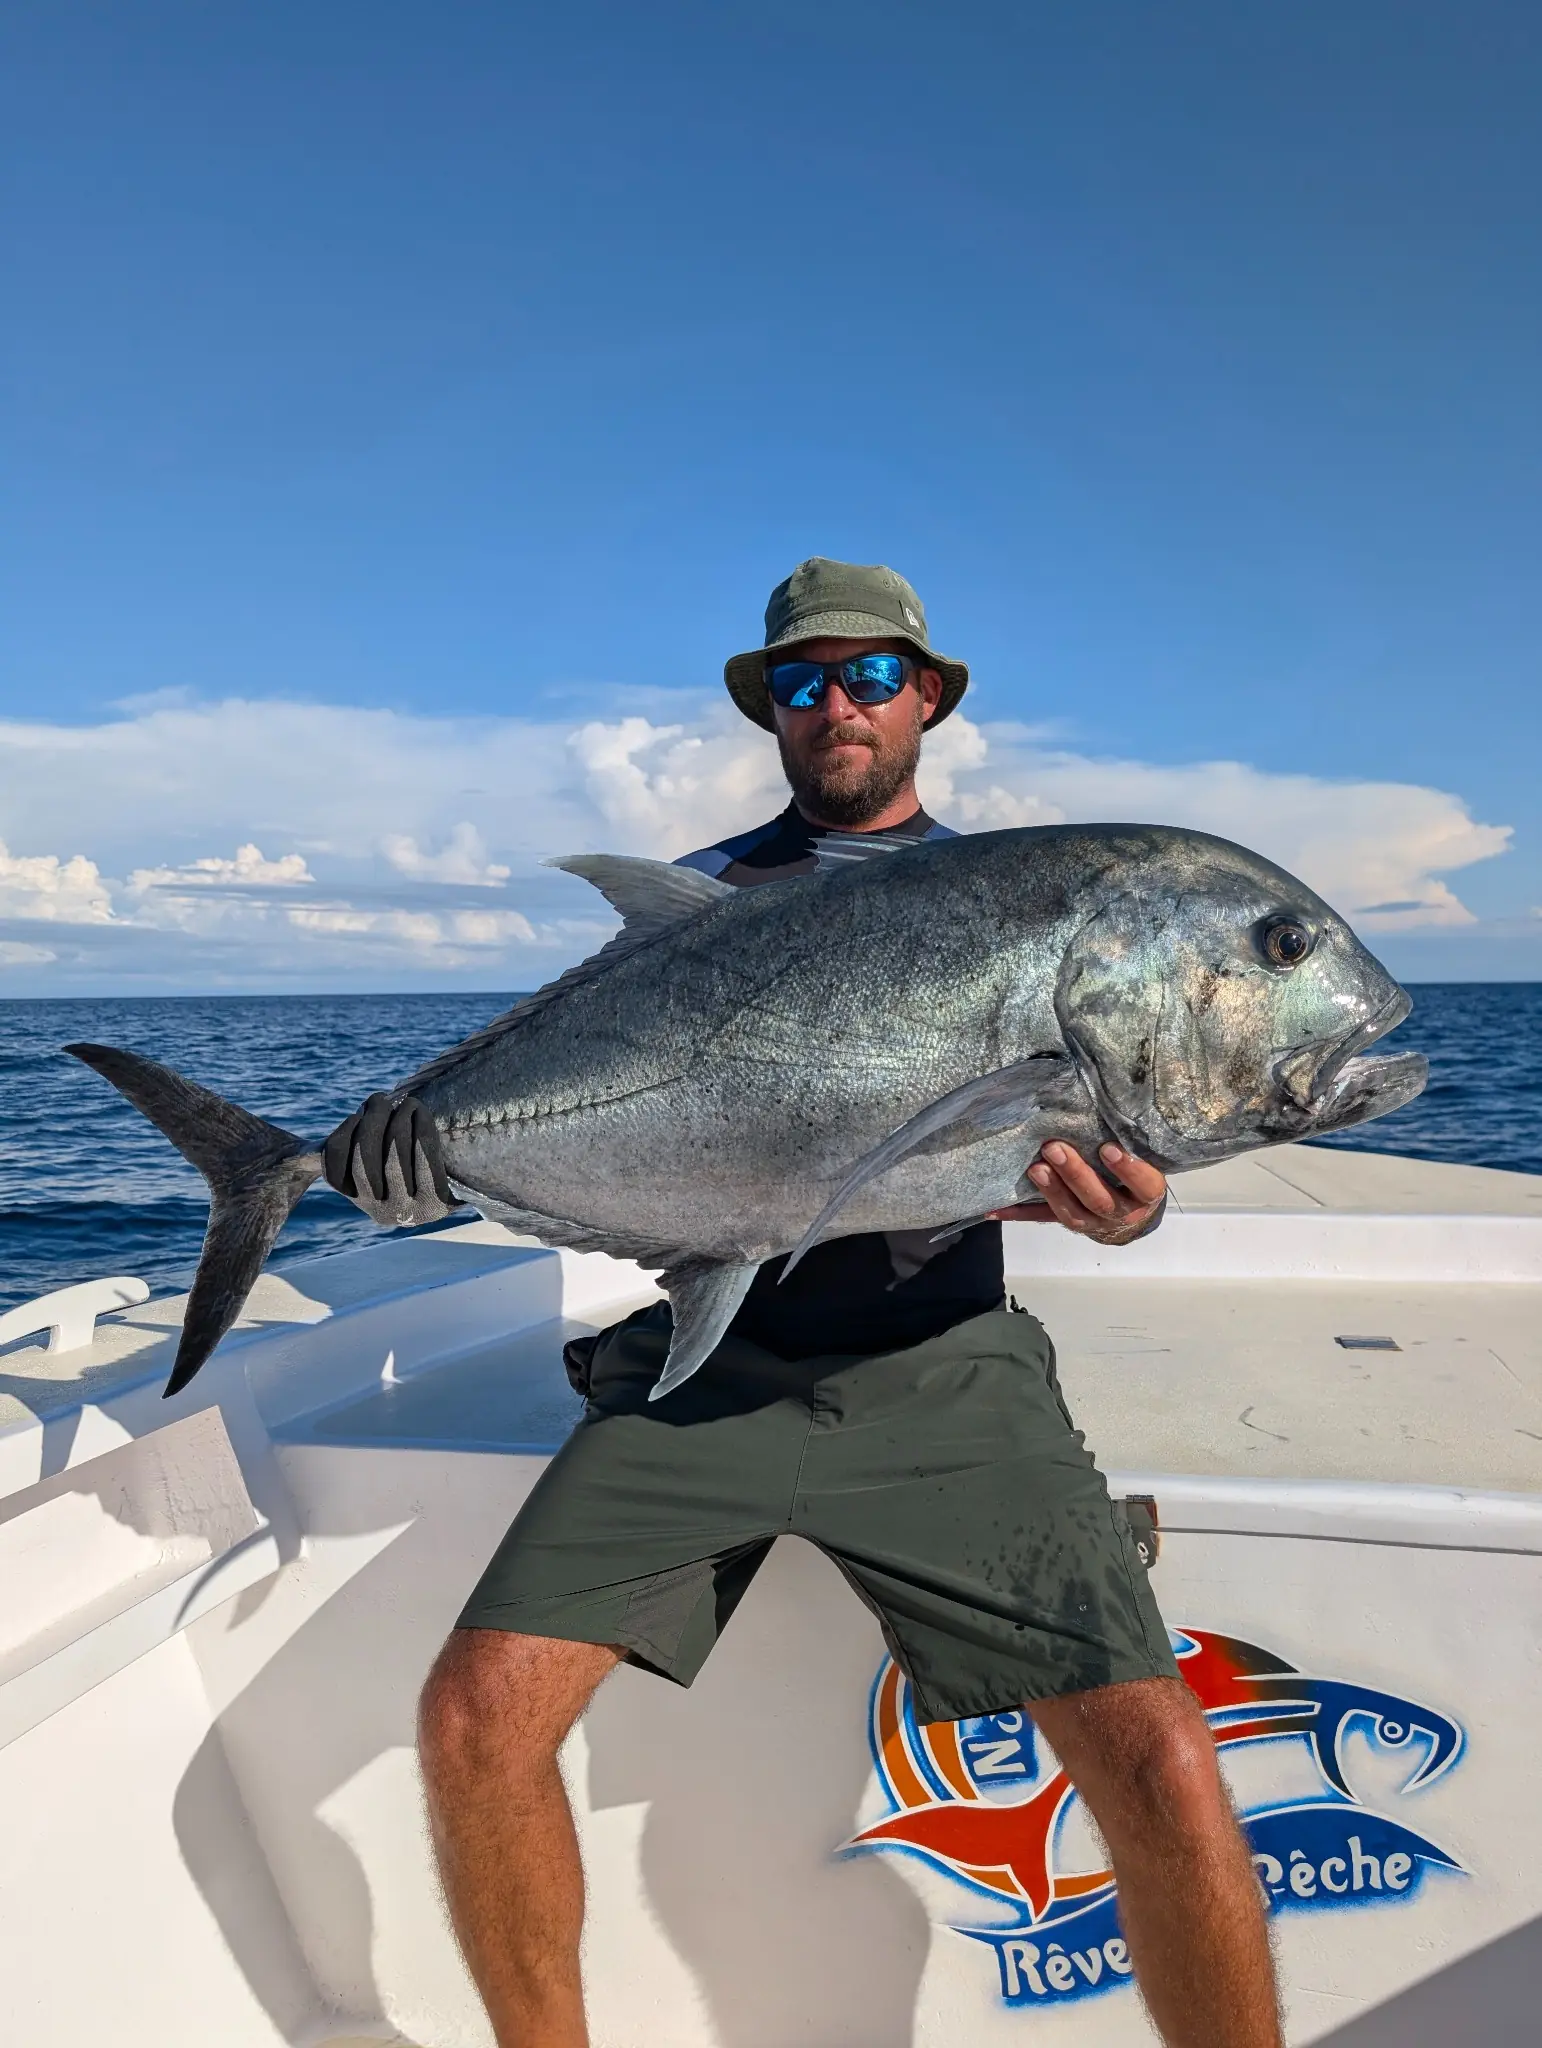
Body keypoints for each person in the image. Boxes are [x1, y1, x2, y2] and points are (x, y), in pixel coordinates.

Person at [325, 558, 1283, 2048]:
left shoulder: (1023, 904)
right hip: (710, 1367)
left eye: (871, 676)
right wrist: (420, 1161)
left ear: (928, 700)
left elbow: (1091, 1147)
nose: (838, 704)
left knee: (1162, 1758)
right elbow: (600, 1114)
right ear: (769, 710)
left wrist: (1133, 1203)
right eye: (800, 680)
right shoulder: (704, 904)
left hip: (941, 1366)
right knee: (471, 1719)